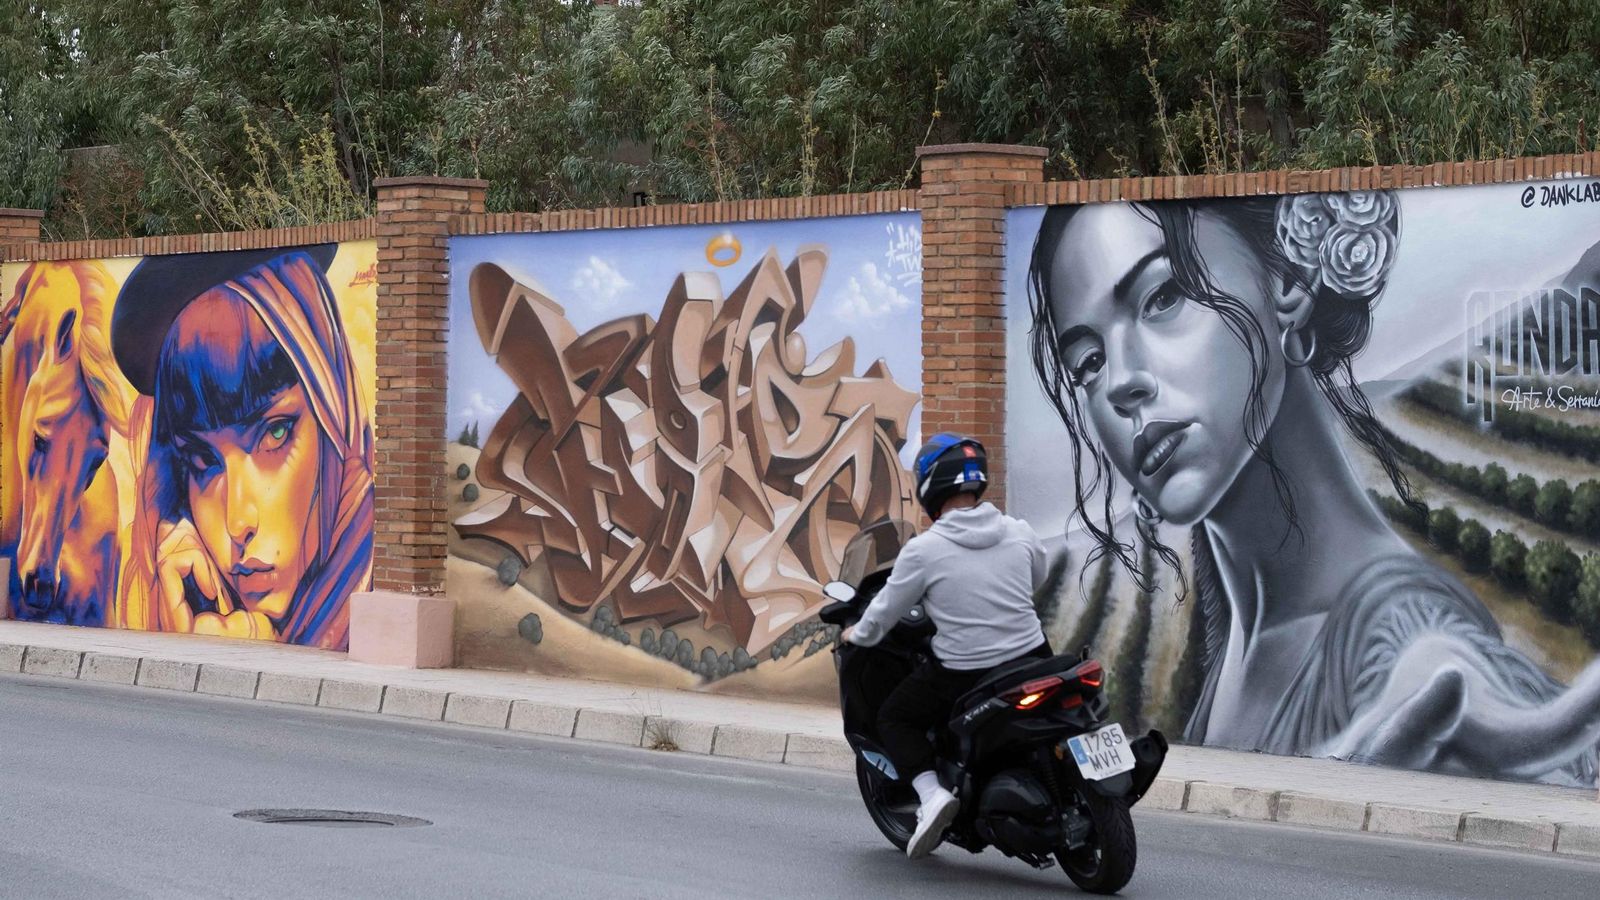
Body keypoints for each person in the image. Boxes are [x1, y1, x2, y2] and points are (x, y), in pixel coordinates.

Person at [1026, 193, 1600, 786]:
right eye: (1088, 363)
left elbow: (1446, 687)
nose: (1119, 383)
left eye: (1163, 297)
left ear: (1289, 284)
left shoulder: (1400, 640)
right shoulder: (1238, 625)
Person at [110, 245, 374, 650]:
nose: (237, 522)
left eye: (276, 434)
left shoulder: (388, 581)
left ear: (334, 412)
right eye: (203, 460)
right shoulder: (184, 577)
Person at [842, 433, 1051, 859]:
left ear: (929, 488)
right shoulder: (1019, 531)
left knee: (895, 718)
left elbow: (884, 613)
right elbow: (1037, 577)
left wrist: (855, 634)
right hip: (1033, 657)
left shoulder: (924, 551)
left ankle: (932, 795)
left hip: (964, 673)